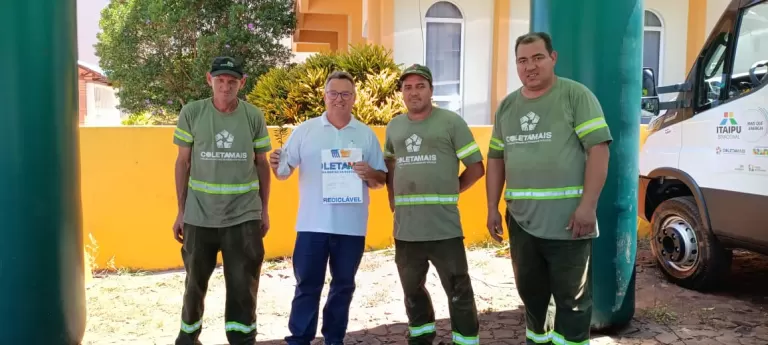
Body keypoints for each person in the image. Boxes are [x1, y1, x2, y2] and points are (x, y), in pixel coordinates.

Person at [485, 32, 612, 345]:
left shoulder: (575, 95)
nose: (530, 66)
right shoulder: (507, 107)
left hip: (568, 223)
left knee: (573, 300)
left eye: (538, 57)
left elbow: (599, 149)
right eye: (522, 60)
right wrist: (492, 208)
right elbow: (496, 159)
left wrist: (588, 206)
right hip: (522, 222)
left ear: (552, 58)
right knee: (533, 296)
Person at [268, 70, 388, 345]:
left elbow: (381, 181)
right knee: (307, 286)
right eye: (333, 93)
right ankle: (299, 339)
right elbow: (283, 173)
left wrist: (370, 172)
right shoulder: (305, 131)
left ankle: (334, 338)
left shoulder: (365, 135)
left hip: (351, 227)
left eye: (346, 94)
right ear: (324, 96)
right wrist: (275, 164)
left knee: (343, 287)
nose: (339, 99)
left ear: (354, 98)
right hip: (312, 225)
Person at [171, 56, 273, 345]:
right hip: (198, 216)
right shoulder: (192, 113)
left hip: (243, 216)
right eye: (220, 80)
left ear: (242, 82)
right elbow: (182, 163)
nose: (225, 86)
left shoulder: (253, 116)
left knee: (243, 286)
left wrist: (264, 210)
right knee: (194, 285)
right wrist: (181, 211)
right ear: (209, 80)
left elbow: (262, 164)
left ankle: (242, 340)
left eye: (232, 81)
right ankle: (188, 338)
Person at [384, 64, 485, 345]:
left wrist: (455, 189)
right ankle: (421, 339)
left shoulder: (451, 122)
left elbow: (476, 167)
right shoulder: (394, 126)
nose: (413, 92)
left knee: (458, 290)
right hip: (407, 231)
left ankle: (466, 341)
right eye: (408, 87)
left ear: (431, 90)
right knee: (412, 291)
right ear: (402, 93)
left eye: (420, 86)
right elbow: (390, 166)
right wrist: (393, 199)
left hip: (444, 228)